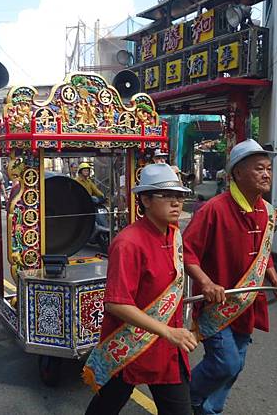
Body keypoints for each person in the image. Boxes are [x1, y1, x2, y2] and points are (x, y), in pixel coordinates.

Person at [183, 139, 277, 415]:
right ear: (237, 172)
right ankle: (185, 401)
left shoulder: (267, 212)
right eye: (259, 168)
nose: (267, 174)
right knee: (225, 364)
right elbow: (186, 251)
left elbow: (264, 254)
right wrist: (206, 283)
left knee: (237, 363)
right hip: (216, 305)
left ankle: (210, 410)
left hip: (248, 303)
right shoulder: (214, 209)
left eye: (269, 168)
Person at [83, 163, 197, 415]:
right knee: (105, 407)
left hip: (167, 348)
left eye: (179, 196)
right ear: (145, 199)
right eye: (167, 196)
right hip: (131, 345)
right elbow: (116, 302)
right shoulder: (128, 243)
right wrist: (167, 331)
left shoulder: (174, 234)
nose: (176, 203)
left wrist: (208, 284)